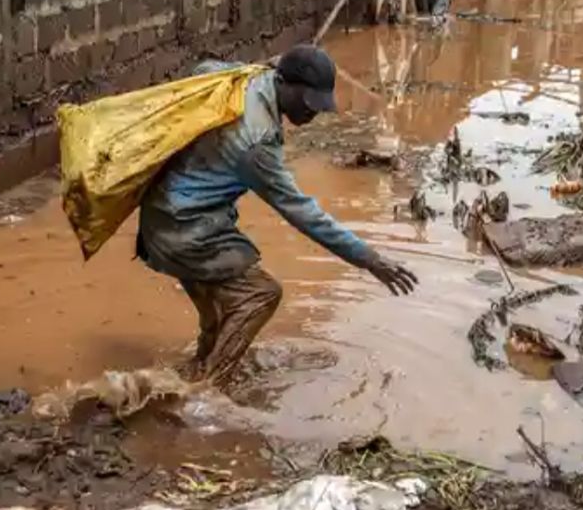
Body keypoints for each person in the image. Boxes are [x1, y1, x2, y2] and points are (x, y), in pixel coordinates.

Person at [136, 44, 418, 386]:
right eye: (307, 103)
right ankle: (208, 390)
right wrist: (369, 259)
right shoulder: (256, 144)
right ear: (284, 83)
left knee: (220, 316)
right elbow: (302, 212)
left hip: (163, 213)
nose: (312, 114)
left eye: (318, 106)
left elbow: (204, 68)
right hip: (185, 230)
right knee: (261, 294)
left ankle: (185, 381)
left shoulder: (248, 77)